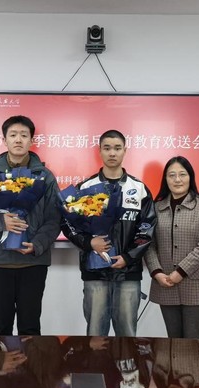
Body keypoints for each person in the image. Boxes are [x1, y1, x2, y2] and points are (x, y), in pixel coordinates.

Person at [0, 115, 61, 336]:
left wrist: (37, 244)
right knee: (1, 327)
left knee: (30, 327)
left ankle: (28, 362)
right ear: (4, 140)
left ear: (31, 141)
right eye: (13, 135)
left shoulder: (45, 176)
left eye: (24, 135)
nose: (18, 139)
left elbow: (55, 217)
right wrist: (0, 221)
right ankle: (3, 361)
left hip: (33, 262)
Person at [61, 129, 156, 336]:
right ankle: (97, 360)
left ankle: (126, 363)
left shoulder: (139, 188)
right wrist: (89, 242)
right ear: (100, 151)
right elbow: (68, 224)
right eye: (107, 148)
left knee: (127, 333)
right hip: (95, 272)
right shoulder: (86, 187)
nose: (112, 153)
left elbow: (147, 228)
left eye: (117, 148)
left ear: (125, 151)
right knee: (96, 333)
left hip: (128, 272)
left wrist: (128, 257)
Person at [144, 156, 199, 339]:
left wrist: (181, 271)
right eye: (172, 175)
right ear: (165, 179)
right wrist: (156, 272)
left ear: (190, 177)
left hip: (195, 283)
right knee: (173, 339)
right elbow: (148, 243)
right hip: (165, 281)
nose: (177, 180)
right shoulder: (157, 207)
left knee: (193, 339)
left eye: (182, 174)